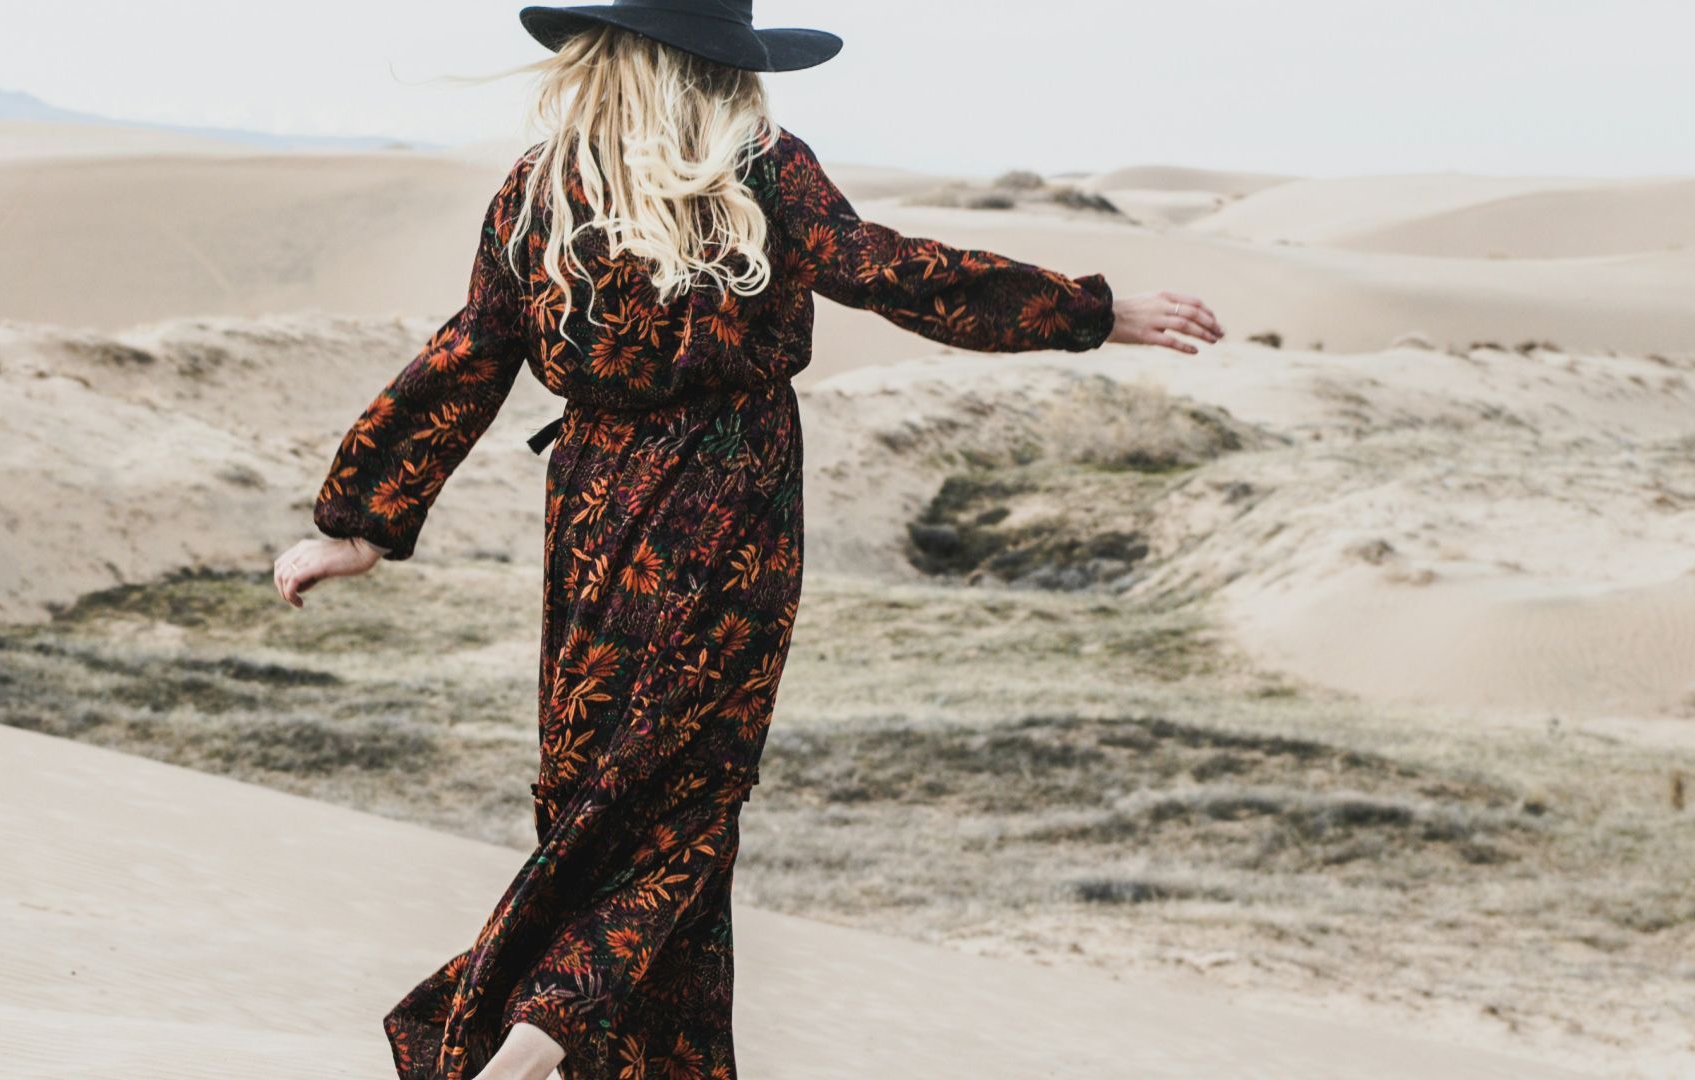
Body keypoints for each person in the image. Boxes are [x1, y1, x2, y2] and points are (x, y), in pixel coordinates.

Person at [272, 2, 1223, 1077]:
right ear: (725, 68)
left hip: (592, 516)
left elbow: (469, 354)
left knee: (601, 794)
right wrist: (1095, 312)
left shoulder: (540, 188)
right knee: (684, 805)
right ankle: (526, 1042)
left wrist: (360, 523)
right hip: (734, 509)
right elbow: (900, 275)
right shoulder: (764, 171)